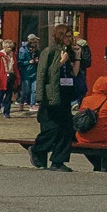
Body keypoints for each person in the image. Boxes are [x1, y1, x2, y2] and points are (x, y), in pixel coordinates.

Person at [28, 24, 78, 171]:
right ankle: (37, 149)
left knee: (67, 128)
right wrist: (40, 97)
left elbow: (74, 73)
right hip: (51, 96)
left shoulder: (69, 52)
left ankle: (58, 161)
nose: (70, 39)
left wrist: (77, 57)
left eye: (71, 36)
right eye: (67, 36)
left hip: (65, 93)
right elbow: (44, 73)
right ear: (60, 36)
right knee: (52, 129)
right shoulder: (49, 52)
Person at [73, 75, 107, 172]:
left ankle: (100, 164)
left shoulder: (86, 100)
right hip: (102, 137)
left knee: (86, 141)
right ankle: (106, 163)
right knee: (103, 133)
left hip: (82, 135)